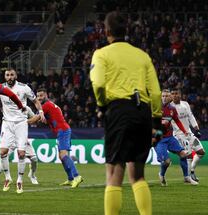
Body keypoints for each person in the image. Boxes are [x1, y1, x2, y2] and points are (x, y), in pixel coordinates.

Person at [90, 11, 161, 215]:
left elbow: (99, 84)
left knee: (114, 172)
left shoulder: (101, 54)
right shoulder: (142, 56)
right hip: (143, 113)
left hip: (119, 111)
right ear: (126, 30)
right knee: (138, 174)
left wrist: (102, 106)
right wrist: (156, 123)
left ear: (106, 31)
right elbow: (155, 92)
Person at [0, 68, 45, 194]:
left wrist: (41, 111)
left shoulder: (24, 88)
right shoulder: (0, 89)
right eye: (7, 75)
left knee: (22, 154)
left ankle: (20, 180)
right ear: (5, 76)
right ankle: (7, 178)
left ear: (16, 75)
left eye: (12, 75)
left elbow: (35, 101)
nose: (10, 77)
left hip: (21, 123)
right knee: (2, 152)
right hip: (7, 123)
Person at [28, 88, 83, 188]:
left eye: (41, 96)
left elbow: (34, 120)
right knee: (61, 157)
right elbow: (49, 119)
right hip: (62, 131)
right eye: (38, 96)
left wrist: (21, 122)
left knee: (63, 155)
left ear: (46, 95)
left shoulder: (46, 105)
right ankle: (70, 179)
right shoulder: (52, 105)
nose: (39, 98)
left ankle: (77, 176)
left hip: (62, 131)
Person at [154, 90, 198, 186]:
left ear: (170, 98)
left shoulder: (172, 109)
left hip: (170, 138)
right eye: (163, 96)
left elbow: (177, 121)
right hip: (159, 140)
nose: (164, 98)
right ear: (160, 97)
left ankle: (187, 177)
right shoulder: (155, 108)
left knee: (183, 154)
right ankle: (161, 175)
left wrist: (185, 131)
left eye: (167, 96)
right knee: (167, 162)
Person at [0, 106, 39, 186]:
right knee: (4, 155)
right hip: (11, 138)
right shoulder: (8, 107)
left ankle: (32, 175)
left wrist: (27, 121)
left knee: (34, 158)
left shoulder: (26, 108)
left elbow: (34, 118)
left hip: (21, 137)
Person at [170, 88, 205, 182]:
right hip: (179, 135)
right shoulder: (169, 107)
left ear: (180, 94)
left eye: (176, 93)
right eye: (172, 93)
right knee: (188, 155)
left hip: (189, 133)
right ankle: (188, 178)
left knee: (201, 152)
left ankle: (192, 171)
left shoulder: (185, 104)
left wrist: (196, 129)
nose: (174, 95)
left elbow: (190, 116)